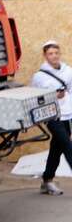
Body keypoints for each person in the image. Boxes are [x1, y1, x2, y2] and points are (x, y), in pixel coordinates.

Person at [31, 40, 72, 195]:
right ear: (45, 55)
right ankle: (47, 181)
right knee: (68, 147)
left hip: (67, 114)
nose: (54, 56)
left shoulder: (68, 71)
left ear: (59, 54)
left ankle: (47, 181)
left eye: (56, 53)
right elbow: (34, 98)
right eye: (50, 53)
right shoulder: (39, 77)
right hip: (51, 116)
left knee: (57, 148)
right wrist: (53, 96)